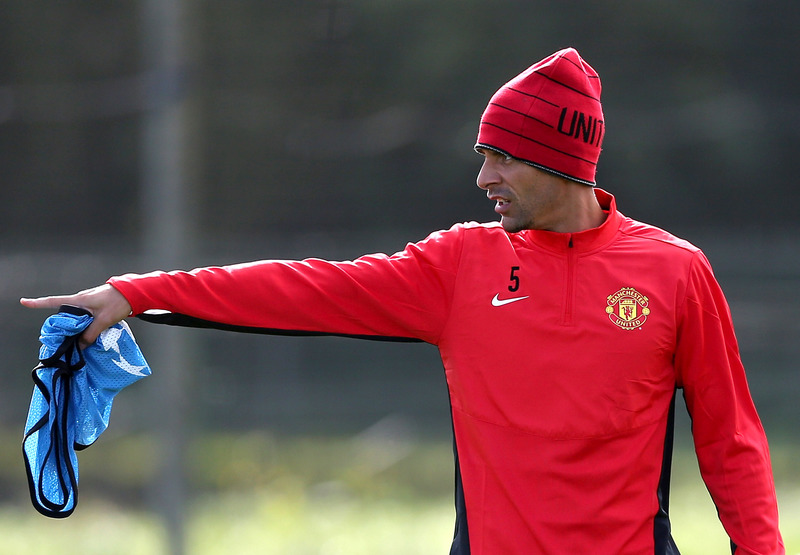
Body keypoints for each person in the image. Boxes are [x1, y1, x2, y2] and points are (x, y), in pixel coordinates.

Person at [21, 48, 784, 554]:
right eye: (483, 155)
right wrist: (137, 292)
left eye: (502, 157)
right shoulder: (458, 265)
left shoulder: (675, 272)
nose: (483, 177)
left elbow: (733, 443)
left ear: (562, 159)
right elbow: (305, 288)